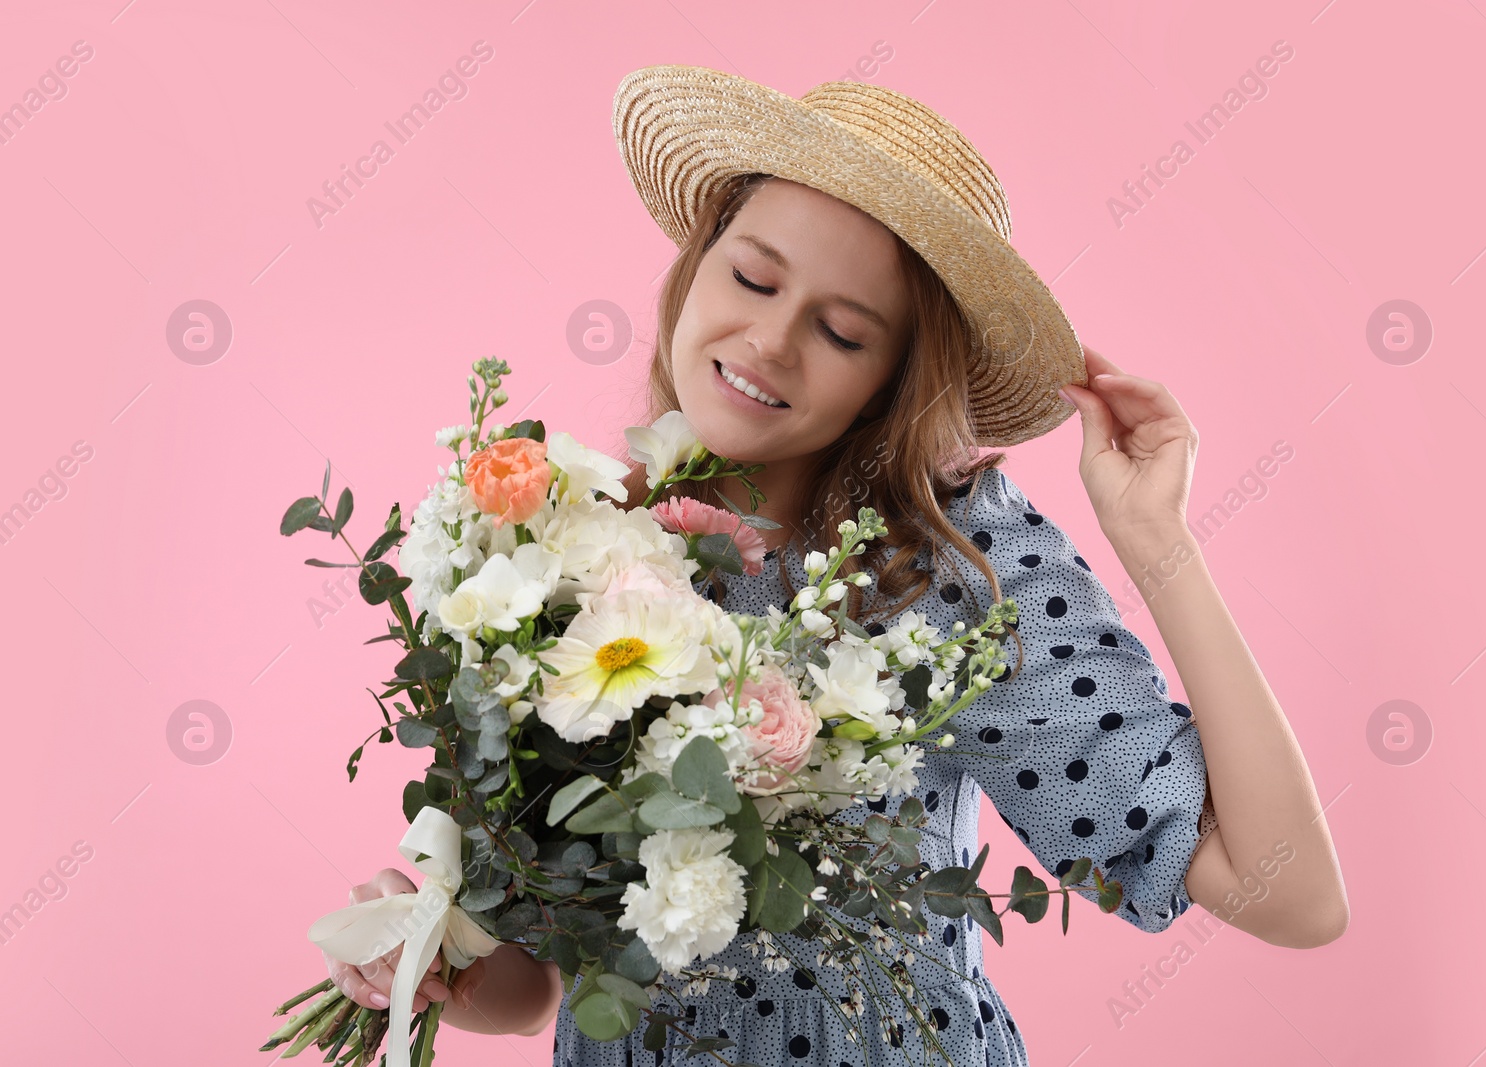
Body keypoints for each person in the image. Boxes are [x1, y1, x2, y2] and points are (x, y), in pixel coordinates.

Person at [325, 66, 1350, 1064]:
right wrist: (428, 949)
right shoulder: (567, 539)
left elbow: (1289, 892)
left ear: (891, 380)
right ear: (697, 260)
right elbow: (534, 987)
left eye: (842, 331)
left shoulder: (952, 562)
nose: (768, 340)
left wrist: (1155, 539)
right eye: (753, 276)